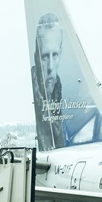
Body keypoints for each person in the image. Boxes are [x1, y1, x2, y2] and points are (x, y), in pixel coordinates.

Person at [31, 13, 67, 150]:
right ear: (36, 58)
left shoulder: (59, 93)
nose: (51, 67)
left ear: (61, 54)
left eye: (55, 55)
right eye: (45, 56)